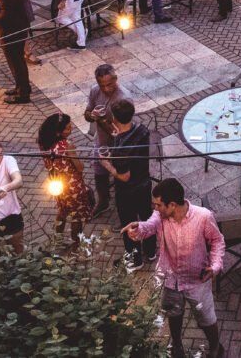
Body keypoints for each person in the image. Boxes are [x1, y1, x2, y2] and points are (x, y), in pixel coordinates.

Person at [123, 178, 226, 358]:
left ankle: (216, 346)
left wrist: (215, 266)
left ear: (171, 205)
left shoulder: (203, 217)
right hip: (171, 279)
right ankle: (177, 345)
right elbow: (148, 227)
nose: (155, 209)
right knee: (174, 312)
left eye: (158, 205)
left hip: (198, 280)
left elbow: (217, 241)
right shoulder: (160, 216)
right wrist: (137, 229)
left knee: (206, 318)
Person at [98, 98, 156, 272]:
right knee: (146, 218)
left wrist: (107, 164)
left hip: (127, 191)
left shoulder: (121, 149)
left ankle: (135, 259)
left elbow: (123, 176)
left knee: (130, 224)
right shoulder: (142, 130)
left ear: (115, 118)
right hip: (145, 184)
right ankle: (151, 251)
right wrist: (117, 139)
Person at [83, 63, 132, 218]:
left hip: (121, 146)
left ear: (116, 79)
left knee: (122, 179)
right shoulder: (94, 90)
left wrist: (102, 120)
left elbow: (119, 134)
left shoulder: (124, 98)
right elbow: (86, 113)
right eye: (102, 85)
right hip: (102, 143)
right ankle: (103, 201)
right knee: (99, 173)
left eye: (109, 84)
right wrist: (92, 116)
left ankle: (123, 210)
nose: (106, 89)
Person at [37, 113, 93, 246]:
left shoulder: (43, 143)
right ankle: (75, 246)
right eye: (67, 128)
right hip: (73, 186)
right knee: (76, 217)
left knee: (62, 211)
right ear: (58, 132)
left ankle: (58, 240)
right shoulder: (67, 145)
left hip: (57, 184)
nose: (71, 129)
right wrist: (74, 155)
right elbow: (80, 168)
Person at [11, 0, 41, 65]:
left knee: (19, 29)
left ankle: (23, 52)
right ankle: (27, 53)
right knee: (24, 29)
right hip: (21, 5)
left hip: (12, 4)